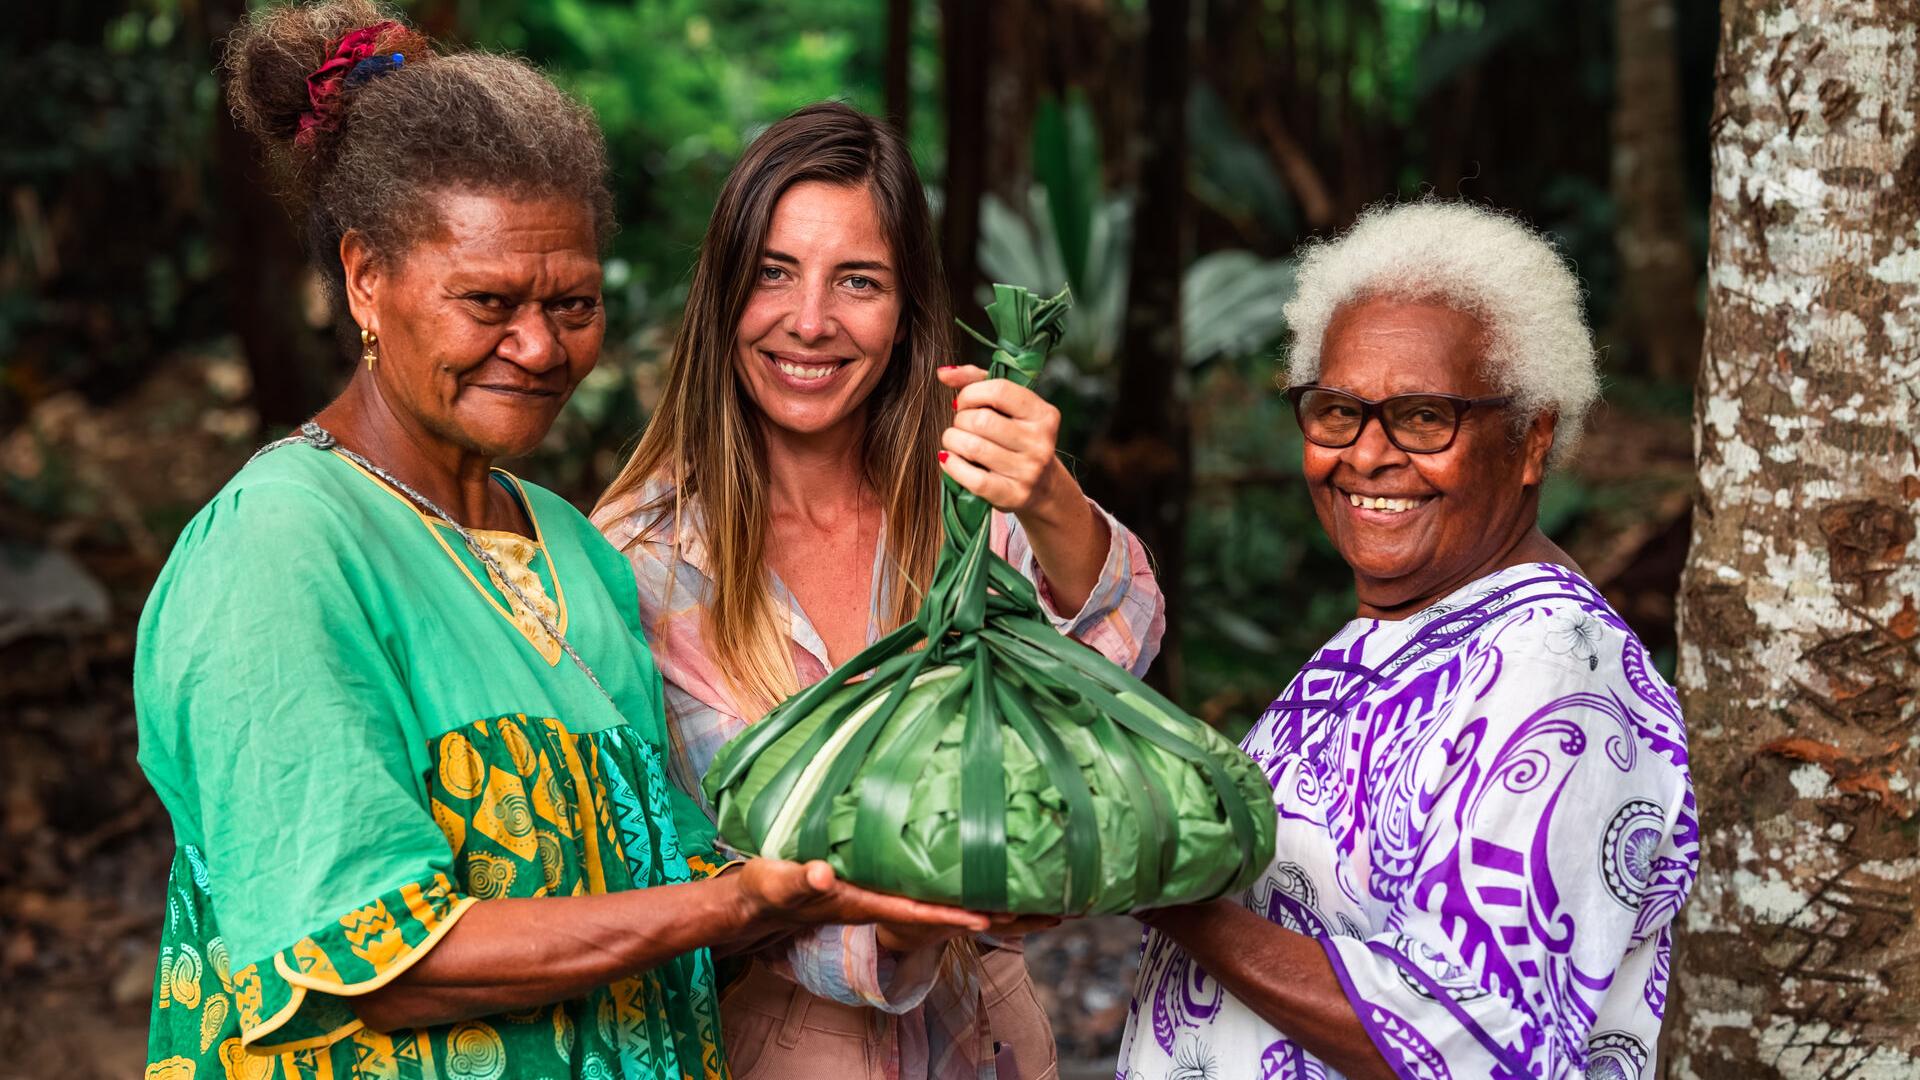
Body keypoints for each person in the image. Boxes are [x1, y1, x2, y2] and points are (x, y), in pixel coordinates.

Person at [135, 8, 984, 1079]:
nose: (538, 347)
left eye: (573, 303)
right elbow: (381, 962)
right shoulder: (283, 548)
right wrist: (729, 901)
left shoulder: (576, 553)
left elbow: (672, 918)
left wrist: (890, 894)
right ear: (365, 278)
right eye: (486, 301)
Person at [592, 102, 1167, 1080]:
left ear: (906, 311)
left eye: (857, 281)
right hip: (776, 1052)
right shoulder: (643, 561)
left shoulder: (962, 506)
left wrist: (1048, 493)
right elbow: (676, 882)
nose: (809, 322)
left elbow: (1108, 667)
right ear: (722, 293)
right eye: (773, 272)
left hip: (989, 1044)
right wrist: (897, 924)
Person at [1115, 201, 1698, 1080]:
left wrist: (1157, 894)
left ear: (1533, 438)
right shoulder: (1400, 633)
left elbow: (1465, 1041)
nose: (1368, 454)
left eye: (1424, 417)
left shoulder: (1557, 674)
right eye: (1338, 410)